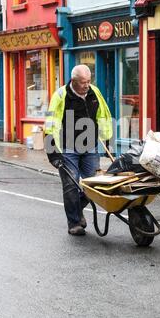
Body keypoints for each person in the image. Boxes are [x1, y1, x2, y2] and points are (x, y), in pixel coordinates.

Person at [45, 65, 112, 236]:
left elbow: (103, 114)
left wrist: (106, 138)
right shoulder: (60, 96)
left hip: (90, 146)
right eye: (83, 82)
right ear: (73, 81)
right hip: (67, 148)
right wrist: (53, 154)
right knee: (70, 185)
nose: (87, 85)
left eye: (89, 81)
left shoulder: (94, 92)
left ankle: (77, 209)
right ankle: (74, 222)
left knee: (94, 186)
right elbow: (50, 124)